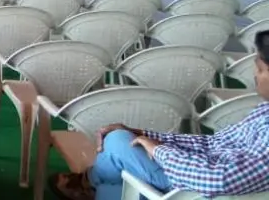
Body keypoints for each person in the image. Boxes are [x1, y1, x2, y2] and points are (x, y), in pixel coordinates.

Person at [50, 30, 269, 200]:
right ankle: (91, 186)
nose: (254, 75)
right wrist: (144, 134)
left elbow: (218, 179)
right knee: (113, 183)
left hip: (194, 190)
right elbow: (214, 142)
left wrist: (158, 150)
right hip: (196, 172)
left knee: (117, 141)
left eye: (260, 69)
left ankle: (88, 180)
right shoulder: (264, 110)